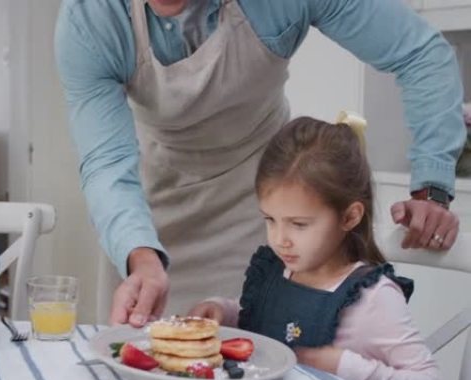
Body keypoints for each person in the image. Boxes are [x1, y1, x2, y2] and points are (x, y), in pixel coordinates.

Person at [55, 0, 466, 326]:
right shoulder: (90, 18)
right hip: (149, 213)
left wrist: (431, 186)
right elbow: (107, 161)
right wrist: (140, 255)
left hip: (263, 208)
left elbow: (420, 53)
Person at [188, 117, 442, 380]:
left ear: (349, 217)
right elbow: (256, 319)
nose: (280, 239)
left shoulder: (373, 298)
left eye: (298, 224)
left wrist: (349, 367)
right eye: (270, 220)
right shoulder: (274, 272)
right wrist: (222, 312)